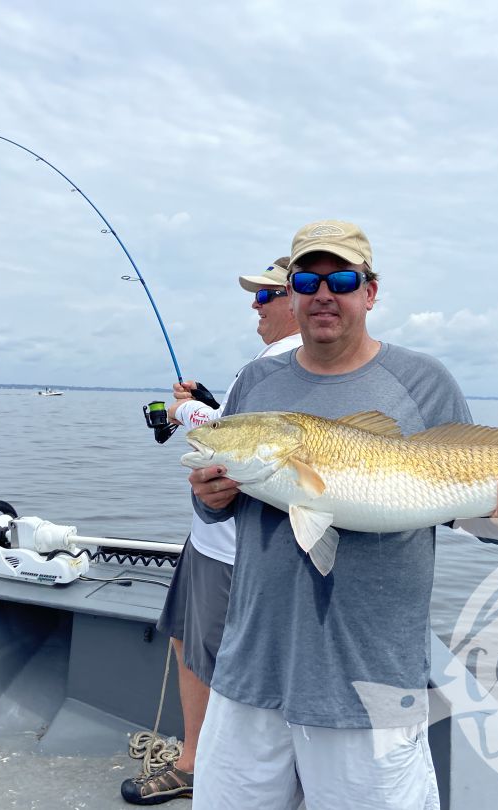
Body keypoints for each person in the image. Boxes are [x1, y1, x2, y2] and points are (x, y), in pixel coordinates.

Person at [186, 221, 498, 810]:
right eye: (306, 280)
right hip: (252, 665)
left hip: (369, 677)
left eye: (343, 279)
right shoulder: (256, 381)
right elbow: (220, 505)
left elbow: (477, 520)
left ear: (370, 291)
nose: (323, 294)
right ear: (293, 293)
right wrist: (209, 499)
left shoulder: (423, 383)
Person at [120, 257, 303, 805]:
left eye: (267, 295)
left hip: (230, 552)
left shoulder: (279, 363)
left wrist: (184, 412)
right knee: (188, 642)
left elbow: (232, 429)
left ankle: (197, 765)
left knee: (206, 655)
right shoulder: (277, 367)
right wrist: (209, 399)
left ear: (295, 300)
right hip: (213, 541)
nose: (256, 304)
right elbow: (254, 427)